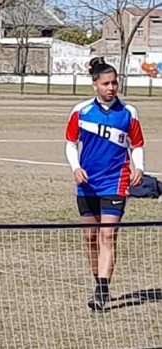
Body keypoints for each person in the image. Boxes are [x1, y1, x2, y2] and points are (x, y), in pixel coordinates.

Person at [65, 56, 145, 312]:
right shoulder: (81, 111)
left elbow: (137, 144)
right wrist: (76, 168)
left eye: (114, 83)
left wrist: (139, 167)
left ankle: (101, 290)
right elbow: (70, 144)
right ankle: (99, 281)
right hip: (88, 183)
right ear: (95, 85)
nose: (111, 88)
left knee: (107, 234)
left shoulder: (128, 112)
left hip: (115, 182)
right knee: (89, 238)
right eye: (106, 83)